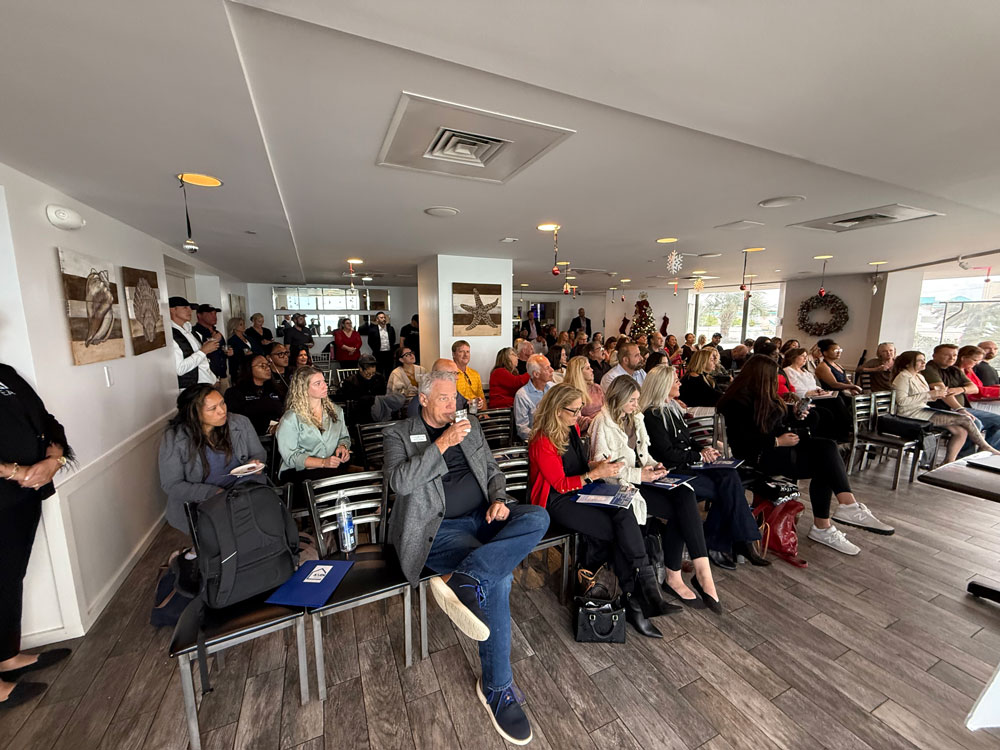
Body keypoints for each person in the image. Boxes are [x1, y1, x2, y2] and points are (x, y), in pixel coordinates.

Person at [383, 371, 548, 745]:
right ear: (423, 399)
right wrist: (442, 443)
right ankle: (497, 689)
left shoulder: (469, 425)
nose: (453, 404)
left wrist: (499, 499)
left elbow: (492, 470)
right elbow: (400, 483)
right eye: (443, 398)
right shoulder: (399, 434)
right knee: (499, 578)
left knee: (537, 517)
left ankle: (467, 579)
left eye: (455, 398)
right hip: (439, 529)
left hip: (484, 517)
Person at [528, 383, 677, 637]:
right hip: (556, 501)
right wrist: (595, 473)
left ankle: (642, 593)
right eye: (574, 411)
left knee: (623, 510)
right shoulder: (542, 440)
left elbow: (578, 465)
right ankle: (638, 598)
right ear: (557, 410)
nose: (579, 415)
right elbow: (561, 484)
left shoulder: (571, 427)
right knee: (621, 530)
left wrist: (596, 465)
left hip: (580, 490)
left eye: (579, 410)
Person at [717, 355, 894, 555]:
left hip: (776, 450)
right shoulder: (736, 403)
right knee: (825, 462)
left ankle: (844, 508)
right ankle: (826, 523)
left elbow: (775, 420)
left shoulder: (764, 397)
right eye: (773, 378)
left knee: (827, 450)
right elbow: (742, 443)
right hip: (757, 456)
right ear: (761, 377)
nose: (776, 382)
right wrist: (776, 441)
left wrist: (796, 414)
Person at [590, 376, 724, 611]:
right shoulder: (602, 422)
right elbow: (603, 471)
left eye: (637, 400)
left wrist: (654, 466)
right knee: (683, 509)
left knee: (684, 494)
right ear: (619, 398)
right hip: (619, 485)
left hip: (640, 478)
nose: (636, 405)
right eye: (632, 400)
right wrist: (640, 475)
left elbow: (644, 455)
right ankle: (676, 576)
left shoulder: (635, 418)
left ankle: (702, 572)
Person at [640, 365, 767, 569]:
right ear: (663, 385)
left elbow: (688, 441)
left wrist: (705, 449)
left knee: (729, 474)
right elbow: (667, 454)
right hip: (672, 472)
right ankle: (733, 542)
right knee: (726, 490)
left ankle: (737, 541)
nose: (680, 383)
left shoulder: (672, 408)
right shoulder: (652, 416)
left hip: (687, 464)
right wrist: (699, 455)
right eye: (675, 381)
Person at [0, 364, 73, 706]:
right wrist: (15, 471)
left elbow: (46, 421)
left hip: (23, 496)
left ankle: (7, 656)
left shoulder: (5, 374)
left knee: (9, 577)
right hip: (12, 486)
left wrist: (54, 458)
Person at [159, 384, 266, 534]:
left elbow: (259, 453)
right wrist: (213, 492)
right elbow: (172, 484)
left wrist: (253, 463)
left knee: (259, 517)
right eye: (212, 408)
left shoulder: (240, 423)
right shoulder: (175, 437)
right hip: (202, 501)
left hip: (243, 489)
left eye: (222, 403)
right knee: (227, 528)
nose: (222, 411)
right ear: (194, 413)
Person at [892, 351, 998, 463]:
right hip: (910, 413)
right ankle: (985, 447)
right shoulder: (903, 377)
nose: (923, 362)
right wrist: (930, 394)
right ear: (908, 364)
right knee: (965, 419)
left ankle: (948, 462)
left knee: (961, 431)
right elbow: (902, 401)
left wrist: (936, 395)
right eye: (919, 360)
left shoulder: (919, 376)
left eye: (924, 359)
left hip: (922, 409)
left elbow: (924, 397)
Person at [276, 366, 353, 487]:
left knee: (346, 482)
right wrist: (323, 462)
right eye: (318, 383)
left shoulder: (336, 411)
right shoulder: (291, 418)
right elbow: (291, 457)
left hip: (330, 467)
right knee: (340, 483)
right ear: (304, 388)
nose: (325, 386)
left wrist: (342, 447)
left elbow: (344, 437)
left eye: (324, 381)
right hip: (298, 471)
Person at [920, 345, 1000, 451]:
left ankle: (986, 454)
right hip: (941, 409)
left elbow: (975, 388)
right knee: (974, 422)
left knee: (998, 420)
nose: (952, 358)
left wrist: (960, 389)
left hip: (961, 408)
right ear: (934, 355)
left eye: (954, 355)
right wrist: (960, 409)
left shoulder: (954, 369)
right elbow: (943, 393)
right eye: (947, 355)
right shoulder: (929, 369)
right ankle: (964, 456)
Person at [224, 355, 285, 435]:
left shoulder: (275, 390)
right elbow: (235, 420)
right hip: (249, 436)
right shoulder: (235, 393)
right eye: (262, 365)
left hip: (277, 435)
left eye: (268, 365)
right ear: (249, 368)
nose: (267, 368)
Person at [169, 296, 218, 389]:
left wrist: (213, 379)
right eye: (185, 308)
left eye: (190, 308)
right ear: (172, 310)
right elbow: (180, 369)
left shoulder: (191, 331)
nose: (190, 311)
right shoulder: (170, 335)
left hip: (207, 385)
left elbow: (202, 362)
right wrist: (203, 351)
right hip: (191, 389)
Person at [514, 355, 554, 440]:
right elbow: (522, 429)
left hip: (556, 435)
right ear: (536, 374)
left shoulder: (553, 387)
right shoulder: (522, 395)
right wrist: (543, 437)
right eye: (547, 368)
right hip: (537, 439)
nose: (552, 370)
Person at [338, 354, 387, 424]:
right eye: (368, 373)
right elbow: (349, 403)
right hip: (359, 416)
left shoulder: (379, 378)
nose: (371, 376)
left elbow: (383, 395)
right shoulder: (350, 382)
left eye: (373, 373)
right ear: (360, 368)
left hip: (378, 413)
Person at [563, 355, 605, 434]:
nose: (592, 370)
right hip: (587, 431)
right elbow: (576, 419)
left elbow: (606, 408)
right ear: (578, 372)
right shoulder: (570, 393)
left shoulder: (597, 387)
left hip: (602, 425)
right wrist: (594, 422)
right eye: (588, 368)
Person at [193, 303, 231, 387]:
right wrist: (213, 340)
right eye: (210, 313)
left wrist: (228, 353)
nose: (214, 316)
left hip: (222, 376)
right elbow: (197, 353)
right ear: (199, 315)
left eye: (215, 313)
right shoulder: (194, 333)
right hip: (207, 380)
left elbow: (221, 353)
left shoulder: (217, 333)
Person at [960, 345, 1000, 411]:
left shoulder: (968, 369)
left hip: (976, 399)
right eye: (975, 360)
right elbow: (975, 391)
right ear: (963, 358)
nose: (977, 363)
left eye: (979, 361)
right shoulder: (958, 371)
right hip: (968, 402)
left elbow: (980, 387)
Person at [360, 312, 396, 377]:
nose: (384, 319)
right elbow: (370, 342)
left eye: (384, 317)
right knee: (378, 371)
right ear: (377, 319)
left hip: (389, 354)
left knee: (389, 371)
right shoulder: (372, 330)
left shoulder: (390, 328)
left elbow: (393, 340)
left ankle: (388, 383)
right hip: (378, 354)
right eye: (381, 318)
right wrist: (376, 349)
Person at [453, 340, 486, 411]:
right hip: (459, 411)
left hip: (476, 412)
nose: (465, 355)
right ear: (454, 354)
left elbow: (482, 397)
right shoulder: (450, 374)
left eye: (468, 352)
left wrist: (484, 413)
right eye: (461, 351)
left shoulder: (475, 374)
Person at [226, 316, 254, 382]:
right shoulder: (232, 340)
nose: (244, 326)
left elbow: (257, 348)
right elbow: (233, 354)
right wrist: (243, 352)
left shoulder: (248, 338)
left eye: (244, 324)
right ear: (234, 326)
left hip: (251, 366)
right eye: (241, 324)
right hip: (240, 368)